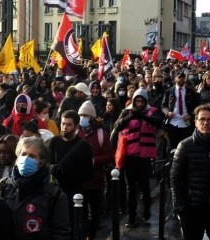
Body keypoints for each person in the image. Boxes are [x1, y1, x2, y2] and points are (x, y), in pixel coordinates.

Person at [0, 136, 71, 240]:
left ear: (41, 163)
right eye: (23, 154)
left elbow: (61, 233)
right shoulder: (4, 187)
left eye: (32, 156)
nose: (26, 159)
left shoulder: (54, 194)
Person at [111, 88, 163, 227]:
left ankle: (146, 210)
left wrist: (143, 117)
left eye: (142, 101)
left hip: (145, 157)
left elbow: (159, 123)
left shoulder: (152, 112)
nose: (139, 104)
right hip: (129, 156)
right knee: (131, 188)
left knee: (144, 186)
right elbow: (117, 125)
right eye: (137, 101)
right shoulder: (127, 111)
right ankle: (131, 216)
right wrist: (130, 117)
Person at [46, 110, 93, 231]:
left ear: (76, 126)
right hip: (56, 192)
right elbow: (49, 165)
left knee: (73, 226)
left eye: (68, 124)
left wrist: (71, 170)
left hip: (74, 193)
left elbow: (89, 174)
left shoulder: (84, 146)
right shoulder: (54, 142)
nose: (64, 127)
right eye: (63, 124)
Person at [170, 103, 210, 240]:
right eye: (202, 119)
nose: (206, 123)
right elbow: (174, 178)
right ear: (195, 122)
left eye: (209, 120)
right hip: (192, 208)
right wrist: (180, 206)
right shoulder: (185, 146)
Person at [77, 100, 114, 239]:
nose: (83, 118)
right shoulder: (76, 132)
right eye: (81, 115)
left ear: (92, 117)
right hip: (79, 181)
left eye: (85, 115)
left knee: (94, 212)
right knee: (81, 213)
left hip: (95, 181)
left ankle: (91, 235)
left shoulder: (101, 134)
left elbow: (110, 155)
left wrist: (94, 161)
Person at [162, 71, 200, 151]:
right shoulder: (169, 91)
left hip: (186, 123)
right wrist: (167, 112)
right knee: (172, 147)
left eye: (183, 77)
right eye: (179, 77)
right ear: (175, 78)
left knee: (185, 146)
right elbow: (163, 106)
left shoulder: (191, 91)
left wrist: (190, 115)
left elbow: (197, 106)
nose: (181, 79)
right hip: (172, 122)